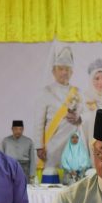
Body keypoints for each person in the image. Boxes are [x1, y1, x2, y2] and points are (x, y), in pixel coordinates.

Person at [35, 46, 84, 184]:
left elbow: (86, 117)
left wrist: (79, 119)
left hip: (72, 145)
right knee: (51, 178)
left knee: (72, 183)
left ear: (72, 72)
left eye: (67, 69)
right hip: (52, 146)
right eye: (61, 69)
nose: (64, 72)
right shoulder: (46, 92)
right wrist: (39, 146)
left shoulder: (77, 92)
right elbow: (39, 122)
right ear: (53, 71)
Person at [82, 58, 102, 149]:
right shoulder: (85, 99)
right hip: (90, 145)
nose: (100, 82)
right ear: (91, 80)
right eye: (96, 78)